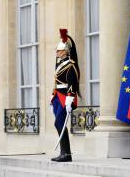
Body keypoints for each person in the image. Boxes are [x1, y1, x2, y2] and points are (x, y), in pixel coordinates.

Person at [50, 29, 80, 162]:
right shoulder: (60, 64)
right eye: (57, 50)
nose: (57, 52)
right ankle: (65, 152)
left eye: (59, 50)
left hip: (65, 97)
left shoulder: (71, 65)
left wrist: (70, 99)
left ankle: (66, 153)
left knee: (59, 122)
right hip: (58, 96)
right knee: (58, 123)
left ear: (66, 51)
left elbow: (73, 83)